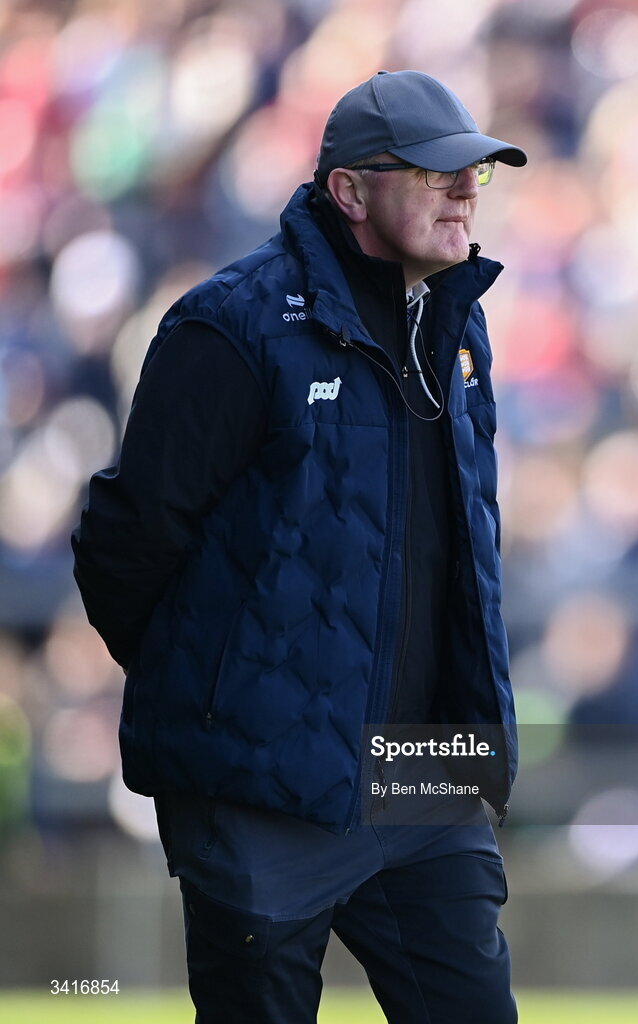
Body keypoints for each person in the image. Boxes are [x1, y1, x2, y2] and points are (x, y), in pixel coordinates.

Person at [72, 69, 526, 1024]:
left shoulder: (459, 322)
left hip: (425, 762)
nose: (462, 190)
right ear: (348, 191)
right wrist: (219, 696)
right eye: (432, 172)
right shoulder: (230, 324)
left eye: (474, 174)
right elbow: (127, 539)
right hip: (261, 776)